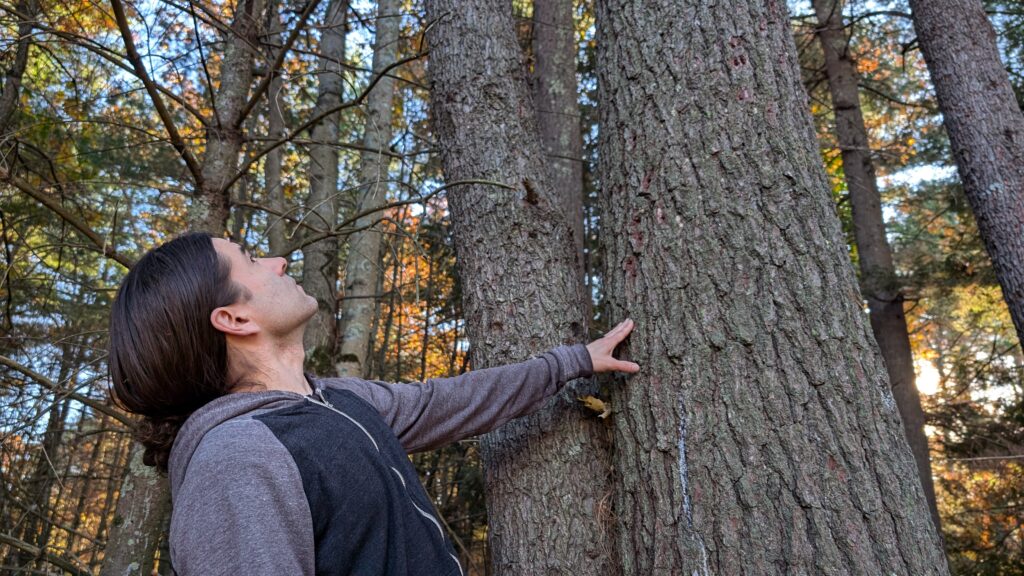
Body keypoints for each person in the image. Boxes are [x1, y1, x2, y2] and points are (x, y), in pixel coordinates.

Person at [108, 231, 639, 576]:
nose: (277, 261)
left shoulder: (335, 400)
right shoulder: (236, 459)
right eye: (250, 261)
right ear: (235, 319)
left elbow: (447, 402)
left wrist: (571, 362)